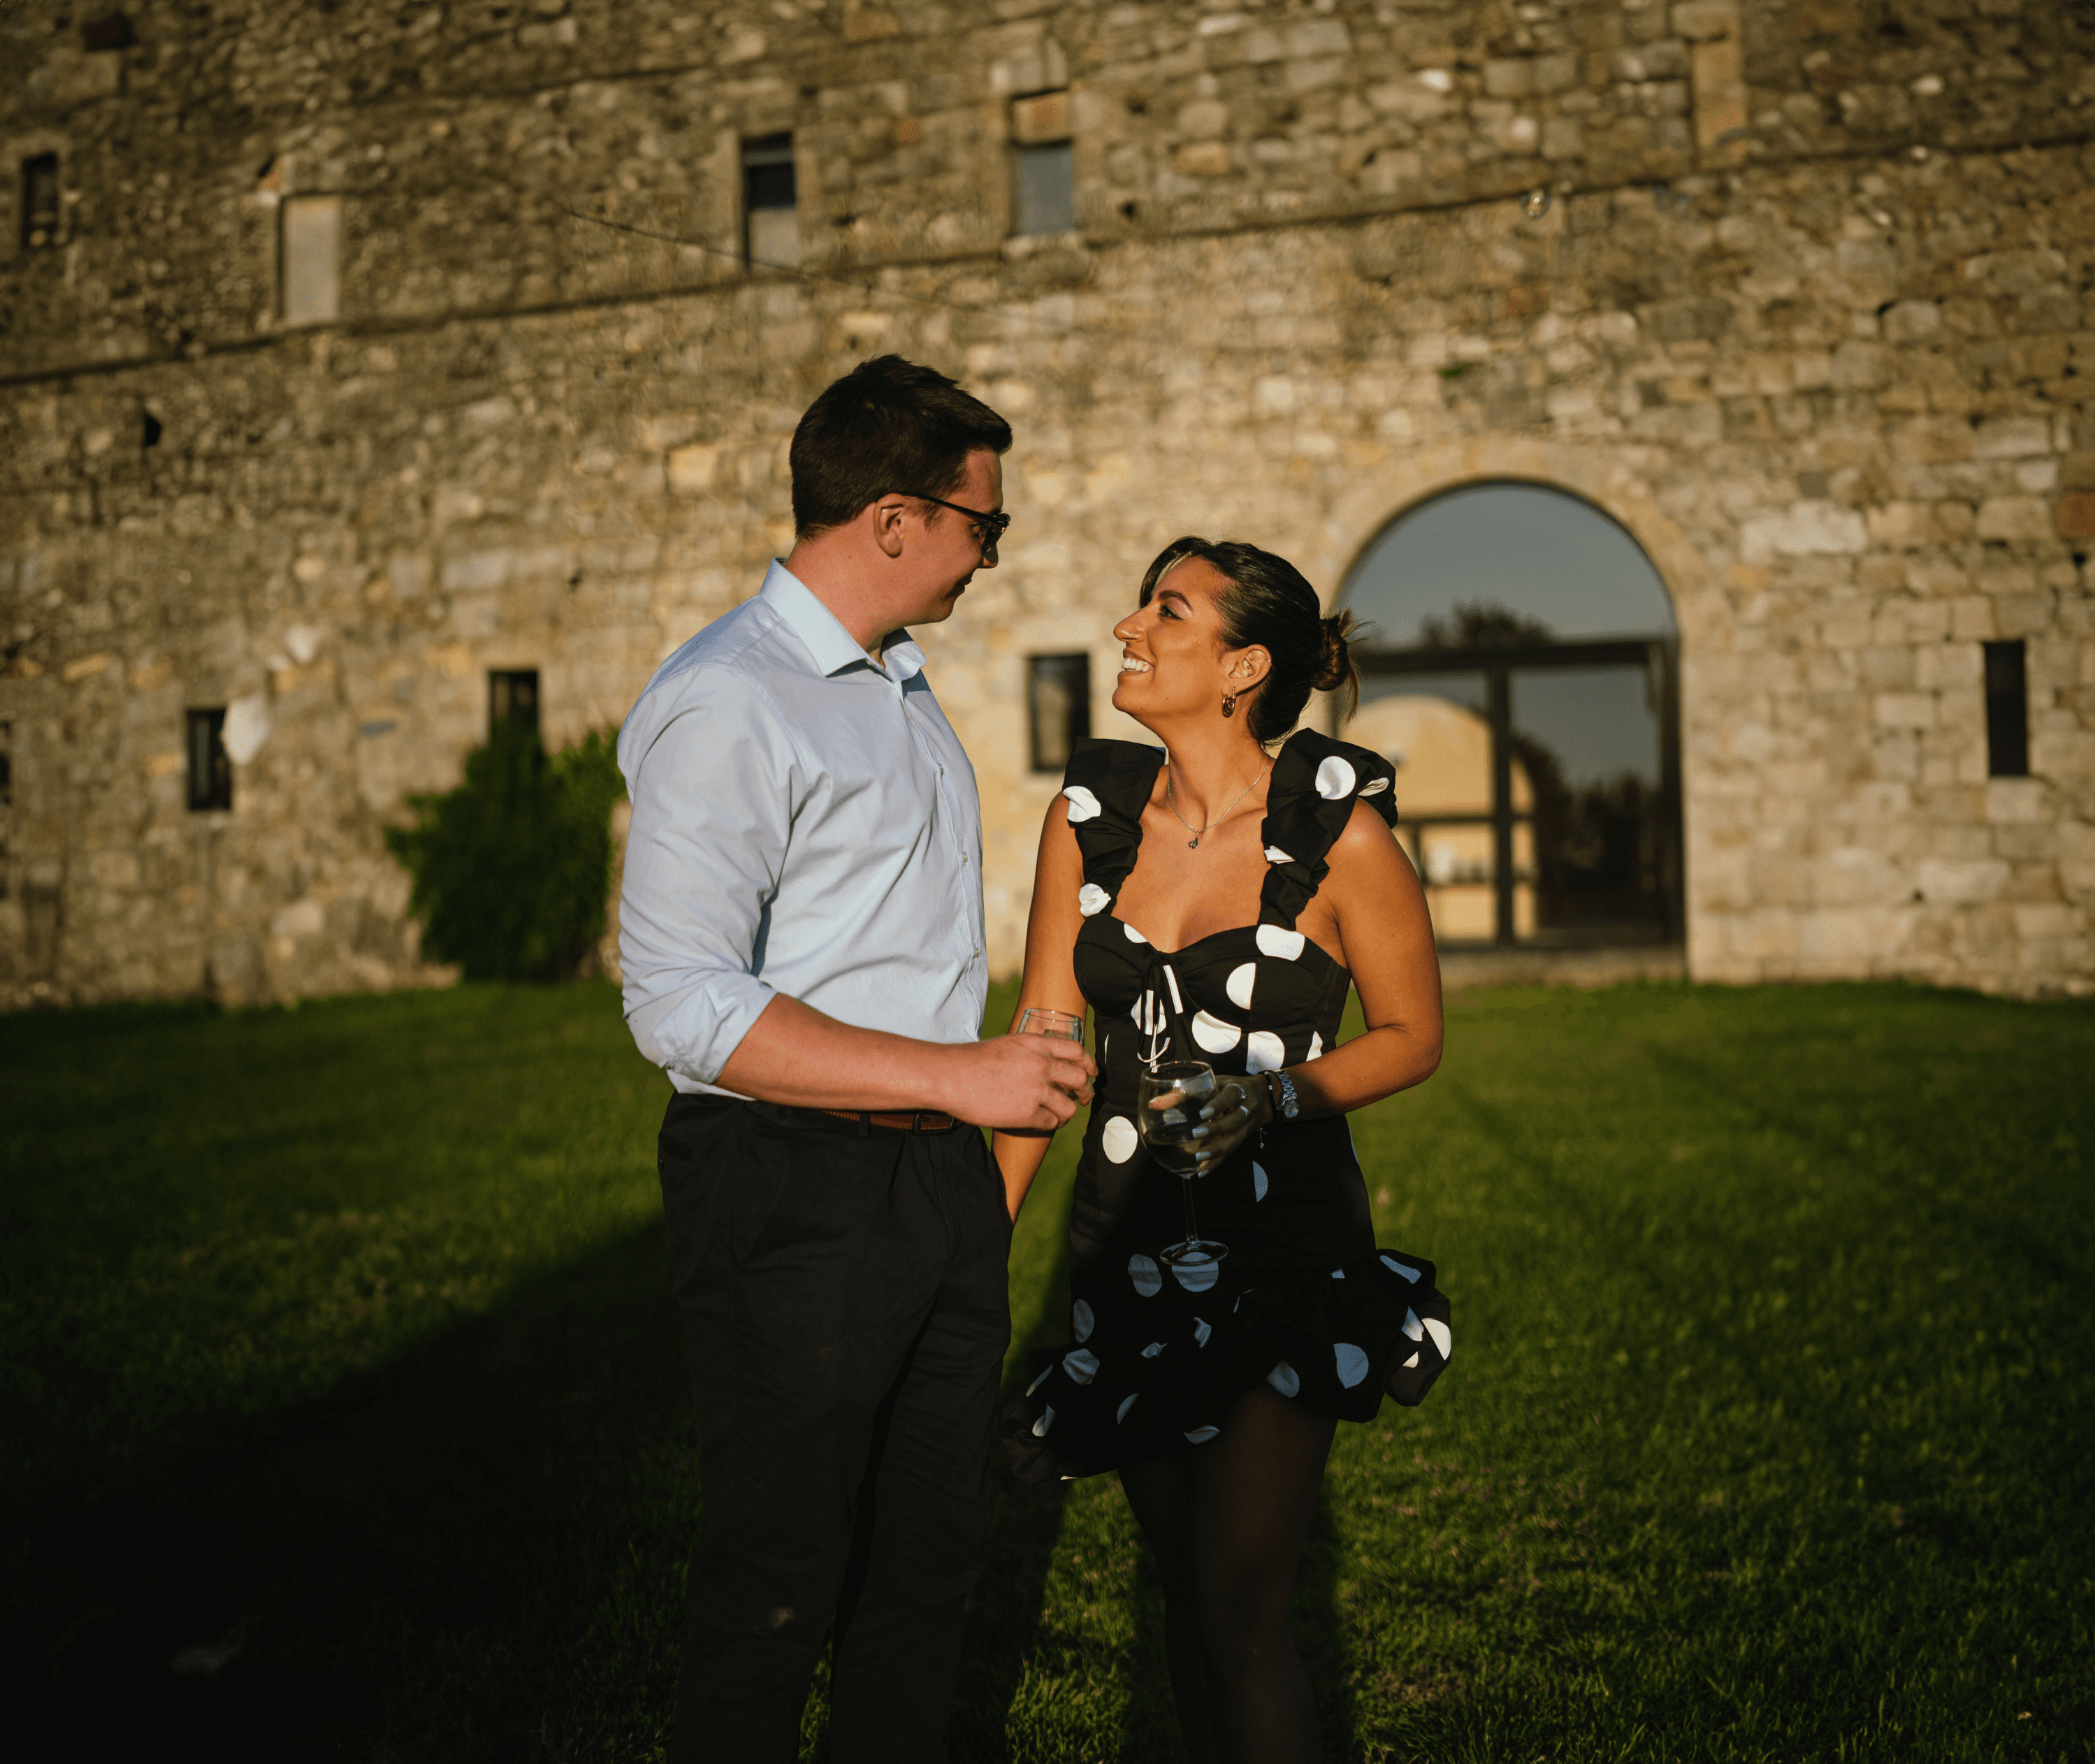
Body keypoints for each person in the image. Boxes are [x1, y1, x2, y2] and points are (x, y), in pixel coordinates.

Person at [616, 354, 1095, 1764]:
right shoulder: (732, 697)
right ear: (893, 519)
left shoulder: (896, 682)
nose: (991, 555)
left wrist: (972, 1103)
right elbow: (679, 1002)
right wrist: (959, 1078)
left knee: (925, 1571)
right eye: (981, 524)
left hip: (933, 1183)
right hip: (790, 1184)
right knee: (778, 1583)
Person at [997, 537, 1453, 1764]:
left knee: (1239, 1611)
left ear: (1243, 667)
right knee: (1192, 1615)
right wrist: (979, 1234)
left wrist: (1274, 1098)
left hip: (1281, 1259)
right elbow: (1044, 1036)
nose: (1128, 629)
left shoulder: (1336, 836)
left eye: (1167, 611)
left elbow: (1413, 1036)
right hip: (1123, 1254)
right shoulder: (1088, 820)